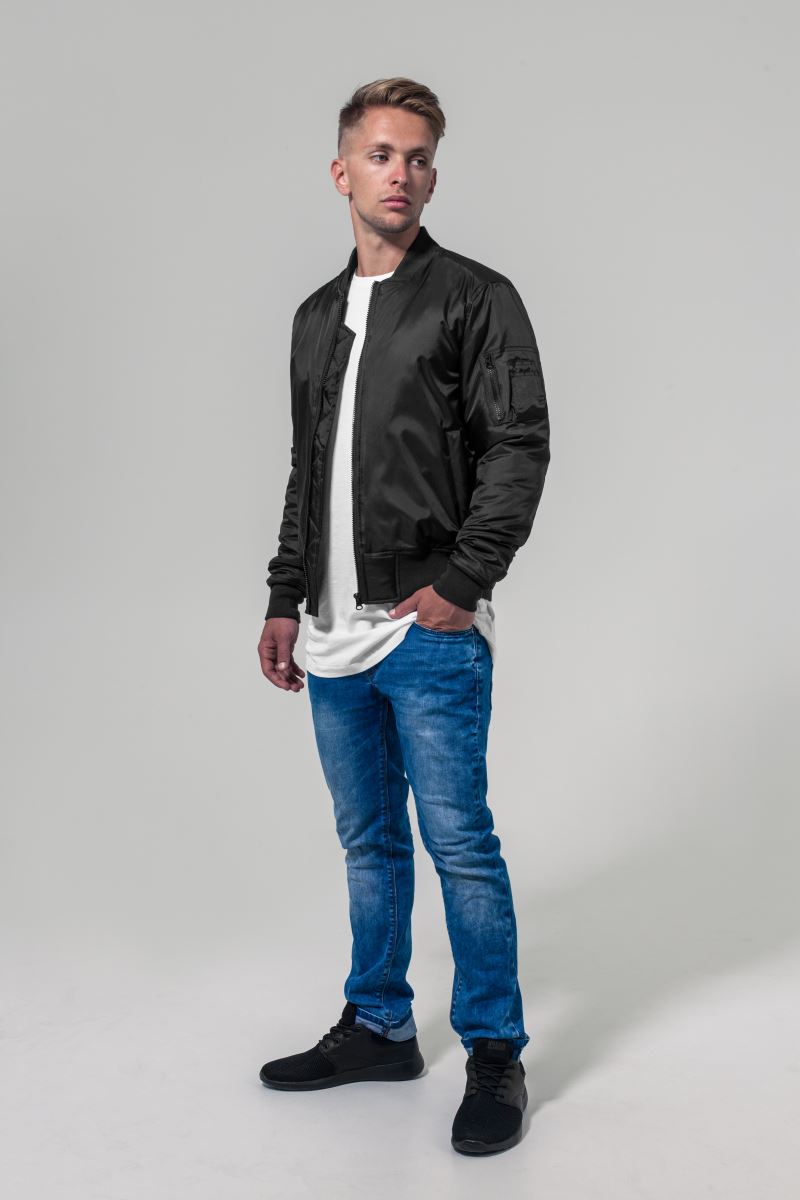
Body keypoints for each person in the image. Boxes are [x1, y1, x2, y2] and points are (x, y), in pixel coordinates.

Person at [257, 76, 550, 1156]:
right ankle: (379, 1024)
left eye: (419, 157)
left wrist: (463, 581)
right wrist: (283, 595)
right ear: (342, 171)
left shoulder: (475, 297)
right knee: (368, 842)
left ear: (433, 176)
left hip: (425, 629)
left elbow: (518, 444)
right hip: (331, 632)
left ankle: (494, 1053)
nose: (402, 173)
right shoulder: (311, 319)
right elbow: (308, 470)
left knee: (459, 844)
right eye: (382, 154)